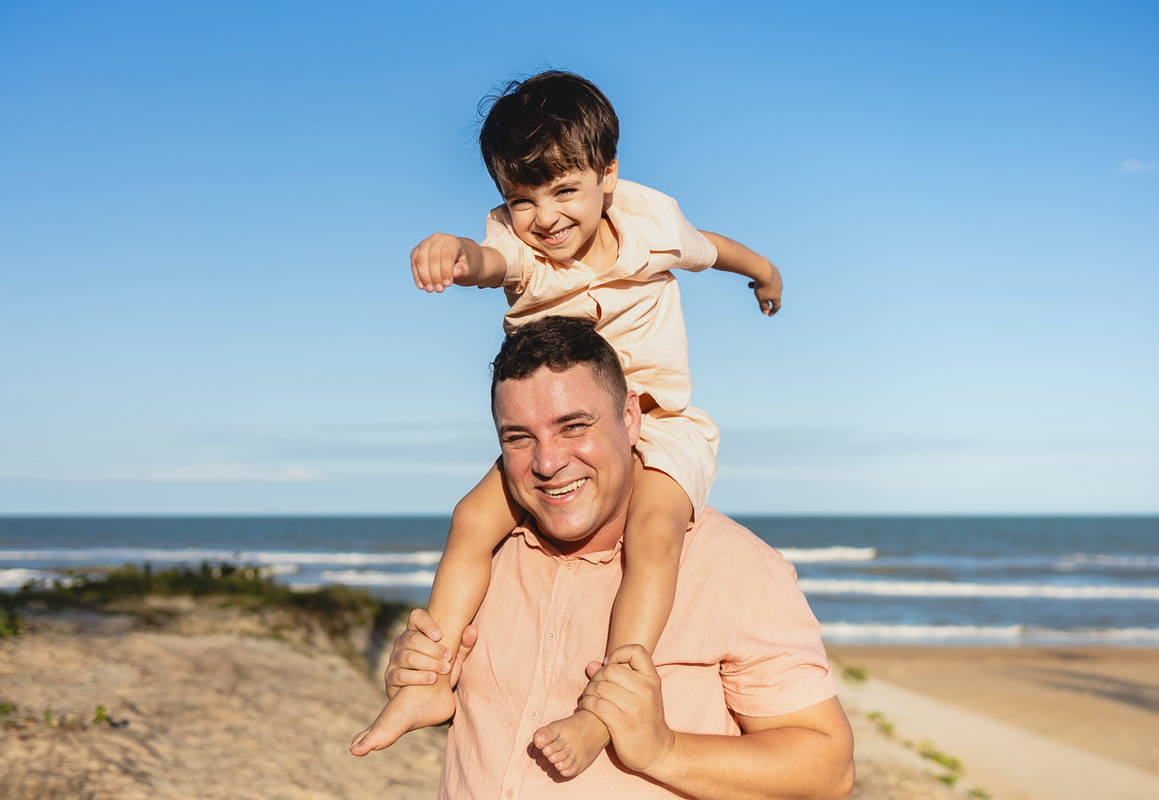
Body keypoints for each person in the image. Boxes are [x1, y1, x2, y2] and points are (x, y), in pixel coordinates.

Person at [351, 70, 784, 777]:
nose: (545, 218)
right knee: (470, 519)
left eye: (563, 191)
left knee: (653, 534)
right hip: (562, 431)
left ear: (606, 176)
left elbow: (709, 247)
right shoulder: (519, 250)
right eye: (521, 200)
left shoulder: (651, 224)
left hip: (659, 422)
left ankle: (605, 709)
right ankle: (427, 685)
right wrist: (456, 257)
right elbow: (489, 261)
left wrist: (762, 271)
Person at [354, 316, 854, 799]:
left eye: (572, 427)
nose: (547, 463)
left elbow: (828, 773)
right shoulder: (486, 553)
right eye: (519, 438)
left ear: (631, 418)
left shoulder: (733, 566)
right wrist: (424, 671)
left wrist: (664, 750)